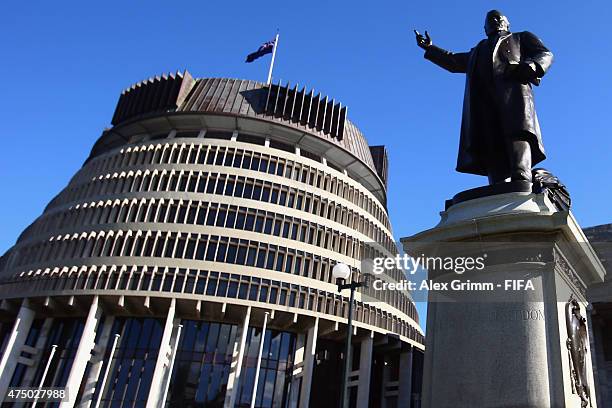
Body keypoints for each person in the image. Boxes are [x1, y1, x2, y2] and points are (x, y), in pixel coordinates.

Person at [415, 10, 553, 184]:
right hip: (484, 103)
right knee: (490, 140)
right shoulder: (478, 50)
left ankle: (521, 175)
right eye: (490, 20)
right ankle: (497, 184)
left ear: (507, 23)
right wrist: (430, 49)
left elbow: (545, 54)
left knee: (517, 133)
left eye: (498, 18)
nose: (494, 20)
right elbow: (454, 61)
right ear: (485, 28)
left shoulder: (521, 38)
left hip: (514, 98)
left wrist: (532, 65)